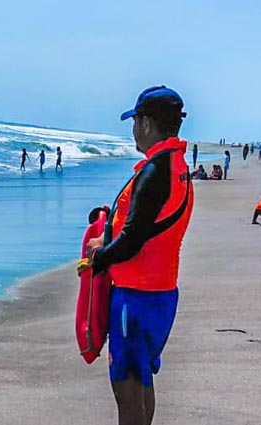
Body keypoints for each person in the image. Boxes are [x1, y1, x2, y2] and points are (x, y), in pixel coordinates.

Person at [82, 85, 193, 425]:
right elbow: (148, 222)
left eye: (134, 121)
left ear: (145, 123)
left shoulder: (154, 171)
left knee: (127, 388)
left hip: (136, 297)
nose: (132, 129)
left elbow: (132, 239)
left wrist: (97, 258)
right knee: (142, 379)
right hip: (160, 293)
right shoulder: (176, 166)